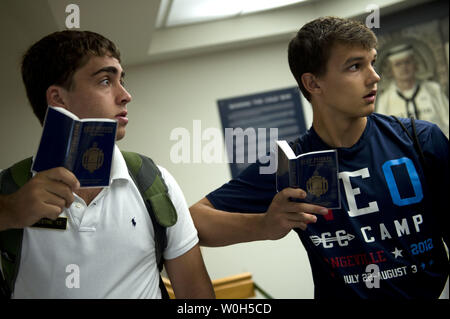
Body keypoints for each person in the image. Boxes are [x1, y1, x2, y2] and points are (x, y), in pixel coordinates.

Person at [190, 16, 449, 298]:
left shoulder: (419, 140)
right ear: (313, 83)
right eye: (355, 66)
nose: (374, 76)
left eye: (372, 62)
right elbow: (194, 221)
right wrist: (265, 224)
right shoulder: (291, 164)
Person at [0, 30, 215, 299]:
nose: (125, 95)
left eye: (121, 80)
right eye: (105, 81)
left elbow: (197, 297)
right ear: (58, 98)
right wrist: (8, 212)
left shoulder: (155, 183)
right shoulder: (7, 192)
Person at [376, 44, 449, 137]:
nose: (404, 67)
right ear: (390, 70)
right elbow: (383, 135)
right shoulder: (385, 99)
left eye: (407, 62)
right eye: (398, 64)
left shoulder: (433, 90)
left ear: (415, 64)